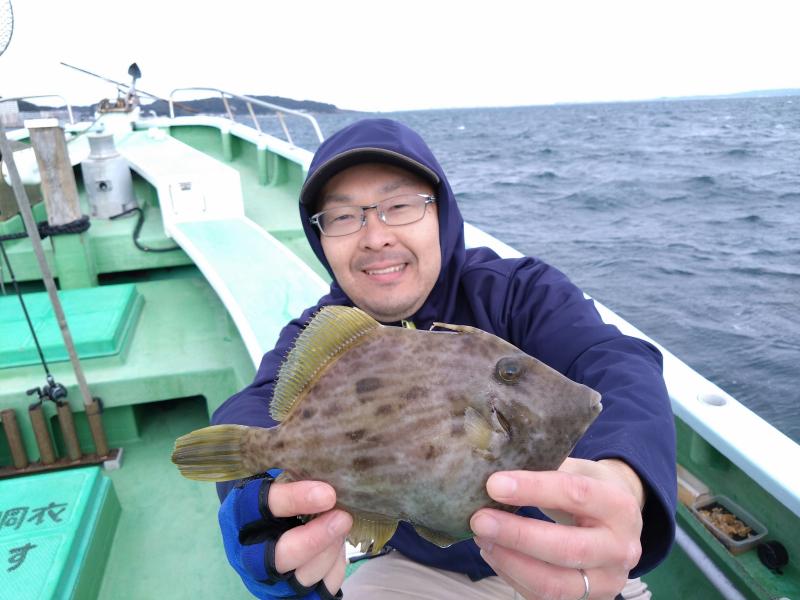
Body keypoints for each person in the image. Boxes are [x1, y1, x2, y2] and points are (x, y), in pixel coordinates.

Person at [212, 118, 677, 600]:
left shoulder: (515, 292)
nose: (376, 236)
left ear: (441, 213)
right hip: (418, 566)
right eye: (344, 217)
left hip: (560, 550)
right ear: (320, 237)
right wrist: (261, 497)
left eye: (399, 206)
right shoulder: (322, 335)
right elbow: (253, 408)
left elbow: (613, 359)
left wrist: (626, 474)